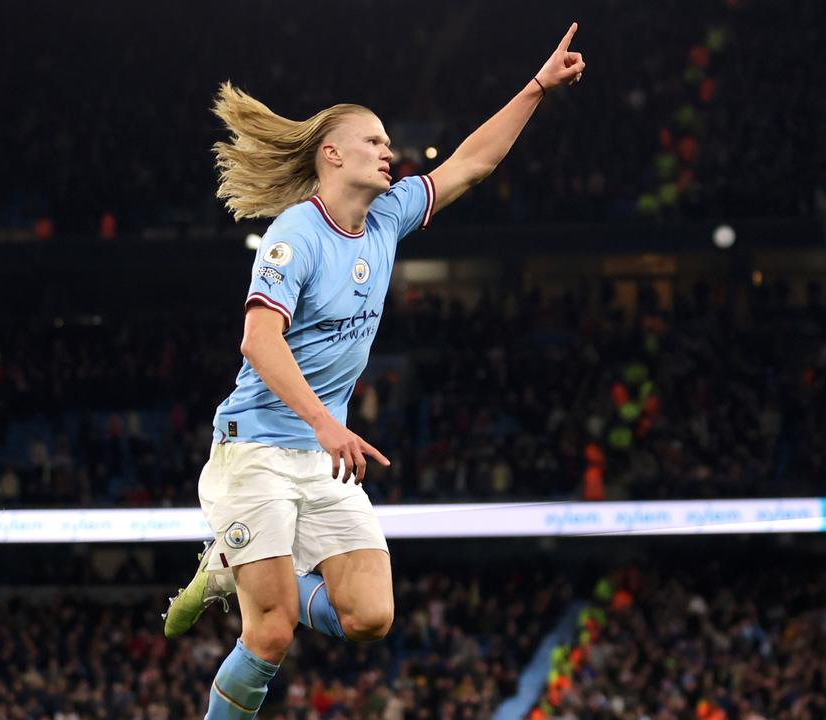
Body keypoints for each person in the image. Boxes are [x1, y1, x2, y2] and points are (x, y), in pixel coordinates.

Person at [164, 23, 586, 719]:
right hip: (257, 450)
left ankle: (229, 565)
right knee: (269, 633)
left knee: (369, 613)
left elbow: (471, 163)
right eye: (375, 140)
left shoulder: (387, 219)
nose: (389, 150)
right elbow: (257, 342)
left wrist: (538, 87)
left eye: (389, 143)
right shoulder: (294, 234)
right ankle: (241, 574)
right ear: (332, 155)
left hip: (319, 454)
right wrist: (329, 426)